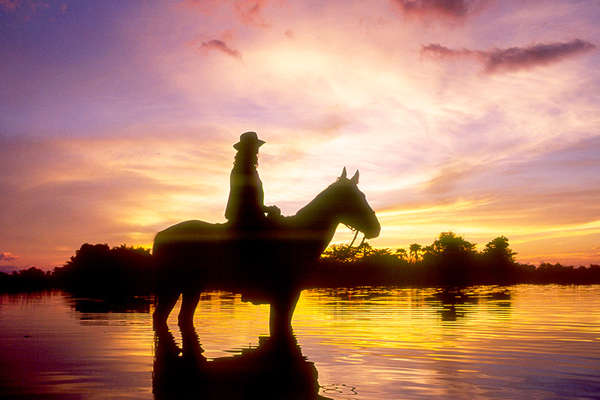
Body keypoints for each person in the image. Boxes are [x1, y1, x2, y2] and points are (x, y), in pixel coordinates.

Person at [225, 131, 280, 230]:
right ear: (248, 149)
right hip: (246, 219)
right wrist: (268, 209)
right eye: (254, 147)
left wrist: (266, 209)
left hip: (249, 217)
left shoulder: (246, 169)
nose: (256, 151)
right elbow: (250, 202)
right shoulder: (244, 170)